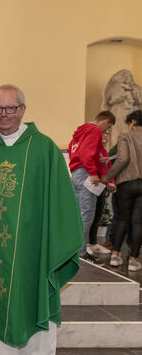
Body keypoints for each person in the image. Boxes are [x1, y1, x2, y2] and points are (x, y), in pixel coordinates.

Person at [0, 84, 83, 355]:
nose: (3, 114)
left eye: (10, 108)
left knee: (28, 294)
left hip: (31, 247)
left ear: (22, 110)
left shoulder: (44, 149)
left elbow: (60, 202)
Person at [68, 111, 115, 263]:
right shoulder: (94, 130)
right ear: (106, 121)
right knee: (86, 216)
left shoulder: (81, 131)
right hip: (85, 174)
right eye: (108, 127)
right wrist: (93, 172)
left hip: (76, 174)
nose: (105, 131)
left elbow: (76, 151)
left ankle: (71, 249)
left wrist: (97, 160)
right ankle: (80, 252)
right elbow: (87, 153)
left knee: (76, 215)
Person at [102, 110, 142, 271]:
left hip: (126, 183)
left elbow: (123, 159)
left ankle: (115, 256)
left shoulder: (126, 136)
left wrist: (107, 177)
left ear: (132, 122)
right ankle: (133, 260)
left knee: (122, 219)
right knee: (138, 222)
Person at [86, 130, 114, 258]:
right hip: (92, 183)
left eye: (107, 134)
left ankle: (93, 242)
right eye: (103, 133)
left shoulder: (104, 150)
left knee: (97, 215)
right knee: (88, 215)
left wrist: (111, 182)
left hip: (102, 185)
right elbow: (88, 163)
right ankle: (83, 244)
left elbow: (108, 168)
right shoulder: (93, 148)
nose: (105, 136)